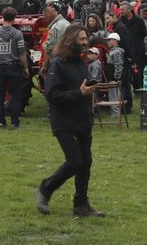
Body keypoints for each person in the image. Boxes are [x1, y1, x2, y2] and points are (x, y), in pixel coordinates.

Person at [35, 23, 104, 218]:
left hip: (82, 119)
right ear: (70, 40)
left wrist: (90, 86)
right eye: (81, 39)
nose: (85, 43)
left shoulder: (80, 62)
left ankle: (81, 205)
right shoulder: (57, 63)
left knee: (85, 164)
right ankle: (44, 189)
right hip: (63, 121)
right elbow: (52, 94)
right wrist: (79, 93)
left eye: (86, 39)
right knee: (74, 162)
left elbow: (81, 85)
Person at [0, 7, 29, 128]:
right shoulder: (17, 34)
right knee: (15, 95)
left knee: (0, 95)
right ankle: (15, 122)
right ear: (14, 19)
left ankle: (1, 121)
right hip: (15, 67)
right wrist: (25, 68)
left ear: (2, 17)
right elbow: (22, 53)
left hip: (0, 67)